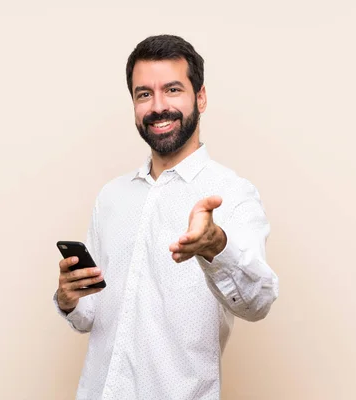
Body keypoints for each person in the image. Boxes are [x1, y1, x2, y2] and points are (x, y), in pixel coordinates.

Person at [54, 34, 279, 400]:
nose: (158, 106)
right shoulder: (111, 197)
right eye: (144, 94)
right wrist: (69, 298)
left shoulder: (232, 192)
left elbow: (259, 303)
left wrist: (216, 247)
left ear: (200, 97)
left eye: (172, 90)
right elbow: (89, 316)